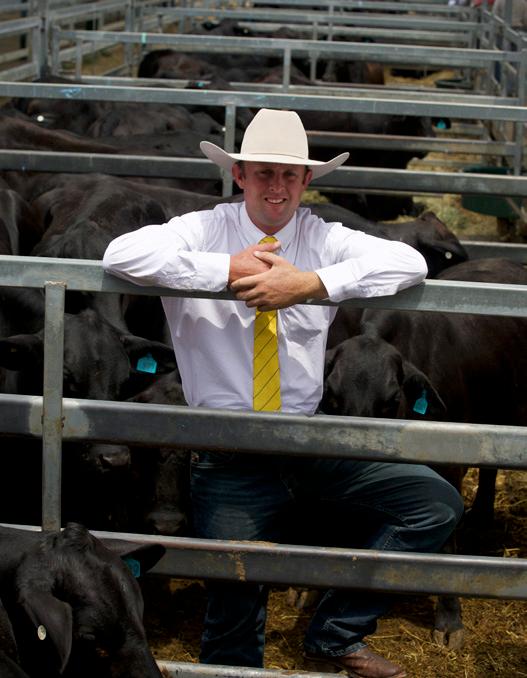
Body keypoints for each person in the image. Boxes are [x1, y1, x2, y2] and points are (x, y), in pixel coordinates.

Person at [102, 108, 464, 678]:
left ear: (306, 180)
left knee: (434, 503)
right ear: (239, 175)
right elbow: (120, 254)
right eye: (264, 173)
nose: (277, 187)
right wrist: (226, 270)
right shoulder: (203, 230)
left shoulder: (320, 236)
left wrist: (311, 282)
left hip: (309, 440)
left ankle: (335, 631)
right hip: (230, 453)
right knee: (235, 610)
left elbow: (409, 261)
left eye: (289, 175)